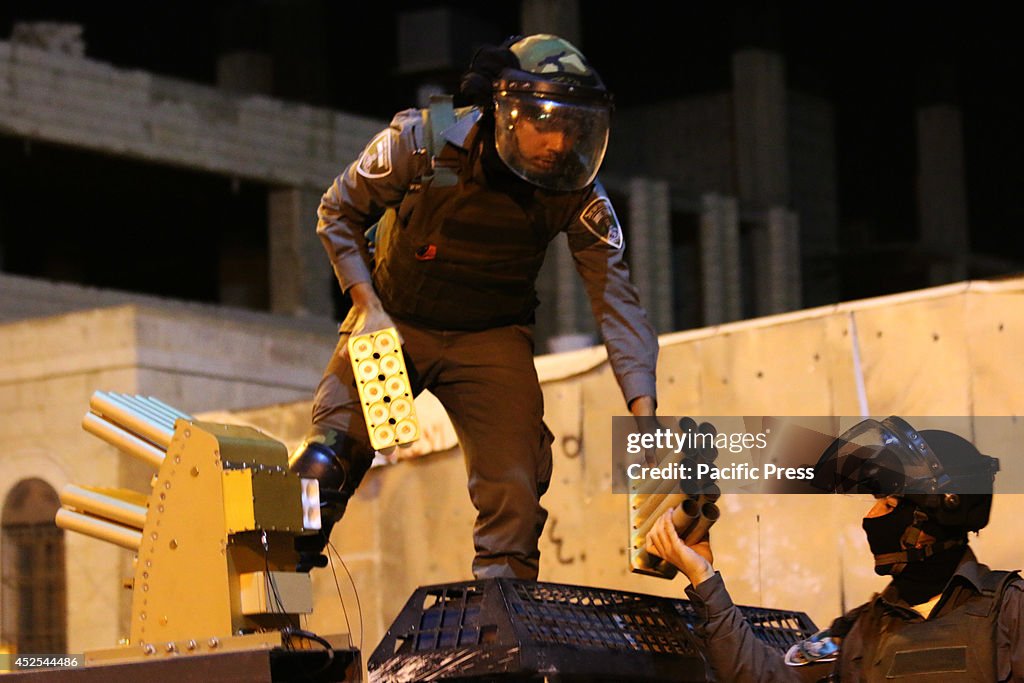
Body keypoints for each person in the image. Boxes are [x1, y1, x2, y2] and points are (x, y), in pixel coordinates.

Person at [290, 34, 658, 580]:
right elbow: (337, 212)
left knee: (516, 495)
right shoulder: (422, 140)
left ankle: (502, 634)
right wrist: (366, 305)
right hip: (396, 321)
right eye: (545, 123)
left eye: (571, 128)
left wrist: (646, 419)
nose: (559, 142)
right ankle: (271, 597)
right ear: (505, 113)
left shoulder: (576, 190)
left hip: (491, 336)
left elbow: (617, 302)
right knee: (324, 467)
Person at [645, 417, 1024, 682]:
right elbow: (764, 679)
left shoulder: (1010, 612)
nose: (872, 517)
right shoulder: (861, 630)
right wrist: (703, 577)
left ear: (943, 509)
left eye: (889, 504)